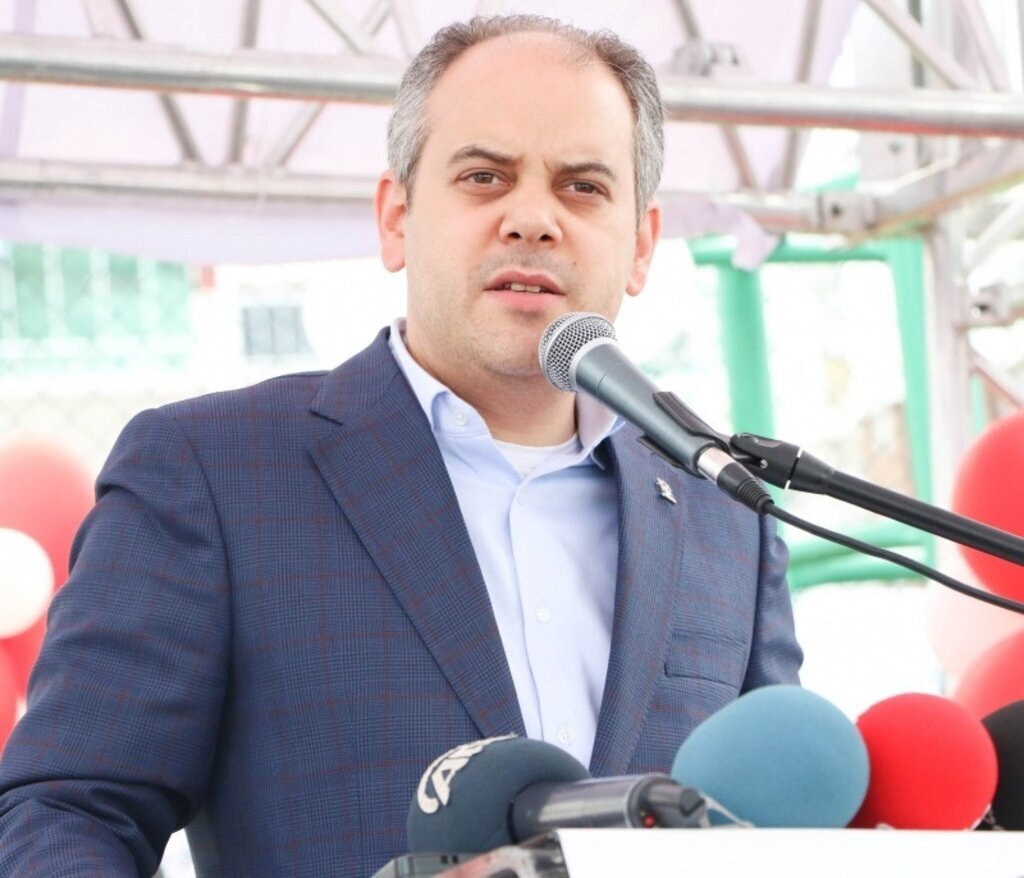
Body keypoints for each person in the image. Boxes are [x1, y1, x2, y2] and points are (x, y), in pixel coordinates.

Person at [0, 14, 801, 878]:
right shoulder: (211, 474)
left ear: (640, 245)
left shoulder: (725, 511)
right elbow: (65, 813)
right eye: (485, 177)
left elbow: (786, 822)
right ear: (396, 218)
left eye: (582, 187)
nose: (533, 218)